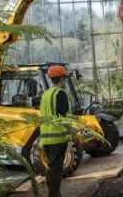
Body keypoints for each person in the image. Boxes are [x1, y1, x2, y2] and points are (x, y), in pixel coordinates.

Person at [40, 65, 72, 197]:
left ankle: (55, 193)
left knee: (51, 169)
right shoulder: (60, 94)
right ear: (62, 78)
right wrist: (73, 132)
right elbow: (62, 116)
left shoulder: (46, 94)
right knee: (56, 171)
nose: (65, 82)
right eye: (65, 78)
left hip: (46, 139)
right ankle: (53, 195)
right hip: (57, 139)